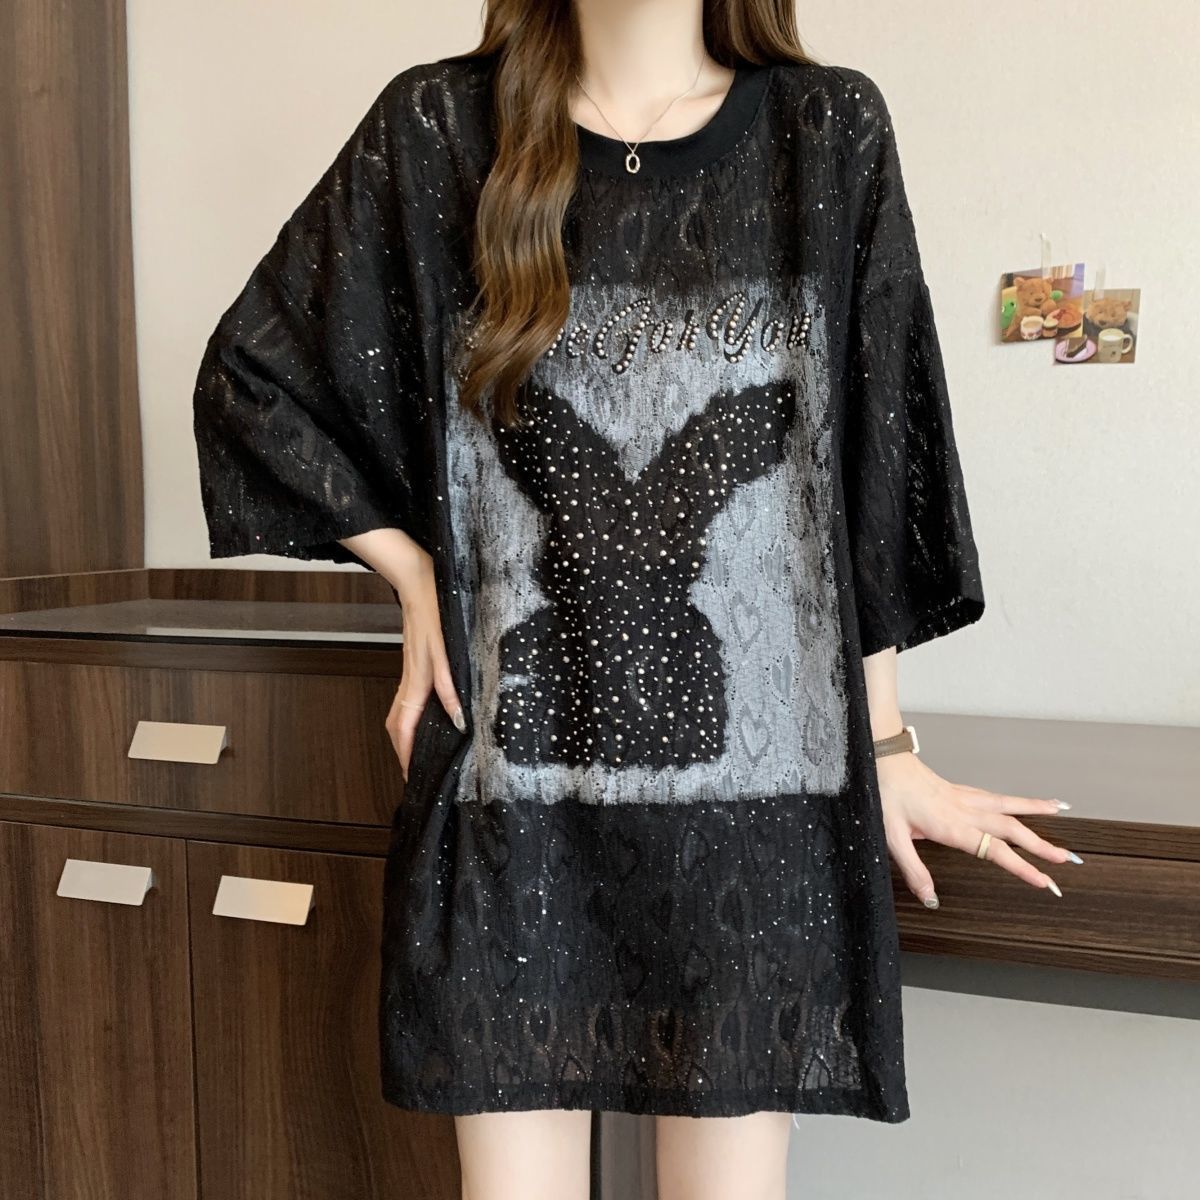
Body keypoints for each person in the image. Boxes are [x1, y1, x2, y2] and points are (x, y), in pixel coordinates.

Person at [191, 3, 1080, 1197]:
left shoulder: (826, 132)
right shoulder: (436, 131)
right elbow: (256, 379)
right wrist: (412, 575)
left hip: (757, 827)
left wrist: (884, 746)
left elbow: (864, 471)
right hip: (516, 815)